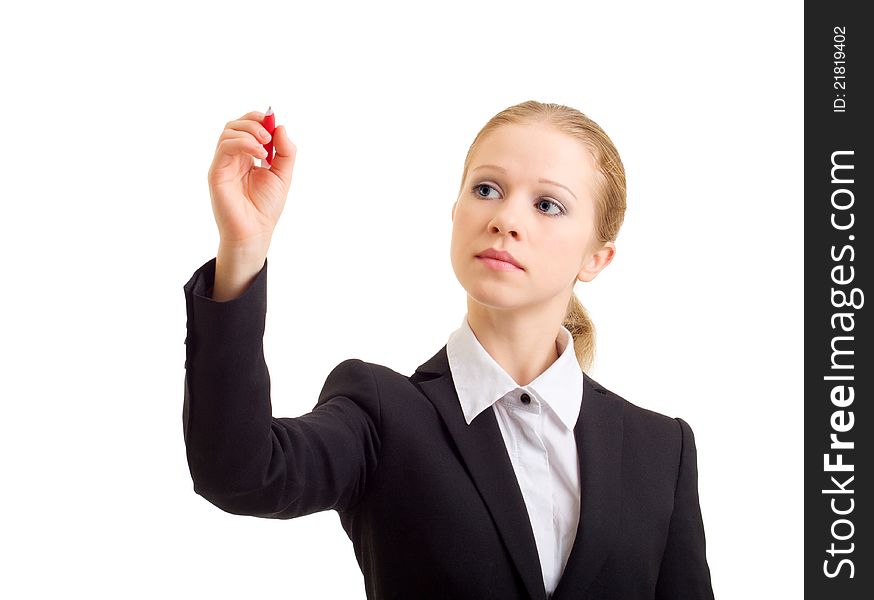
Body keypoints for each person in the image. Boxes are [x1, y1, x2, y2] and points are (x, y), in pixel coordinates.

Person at [181, 100, 715, 599]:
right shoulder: (381, 412)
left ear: (596, 259)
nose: (506, 219)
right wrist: (243, 252)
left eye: (548, 204)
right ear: (455, 210)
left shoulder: (661, 451)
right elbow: (240, 472)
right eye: (486, 189)